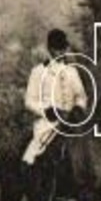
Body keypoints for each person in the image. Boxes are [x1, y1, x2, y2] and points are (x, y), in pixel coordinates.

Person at [22, 29, 89, 166]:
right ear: (49, 49)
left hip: (71, 121)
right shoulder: (38, 71)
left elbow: (81, 96)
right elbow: (29, 101)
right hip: (49, 122)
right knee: (32, 153)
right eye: (57, 49)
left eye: (63, 49)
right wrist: (46, 110)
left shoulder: (72, 71)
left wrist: (78, 107)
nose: (61, 52)